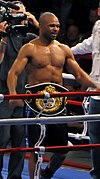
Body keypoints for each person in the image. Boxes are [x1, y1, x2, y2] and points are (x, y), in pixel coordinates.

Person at [7, 12, 100, 179]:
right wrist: (13, 94)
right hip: (36, 105)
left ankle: (46, 174)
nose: (55, 28)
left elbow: (78, 74)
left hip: (58, 105)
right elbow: (13, 73)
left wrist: (97, 86)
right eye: (51, 25)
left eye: (57, 25)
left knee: (63, 150)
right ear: (41, 27)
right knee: (36, 149)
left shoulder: (63, 49)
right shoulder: (29, 48)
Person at [0, 1, 38, 179]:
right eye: (15, 13)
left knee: (19, 141)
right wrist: (1, 35)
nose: (19, 17)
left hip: (21, 95)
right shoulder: (2, 35)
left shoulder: (27, 37)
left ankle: (15, 177)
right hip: (2, 95)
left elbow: (53, 44)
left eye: (21, 13)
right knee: (1, 139)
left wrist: (36, 23)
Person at [71, 19, 100, 179]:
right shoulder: (98, 25)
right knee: (95, 137)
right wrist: (67, 51)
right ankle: (97, 174)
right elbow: (90, 44)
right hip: (96, 92)